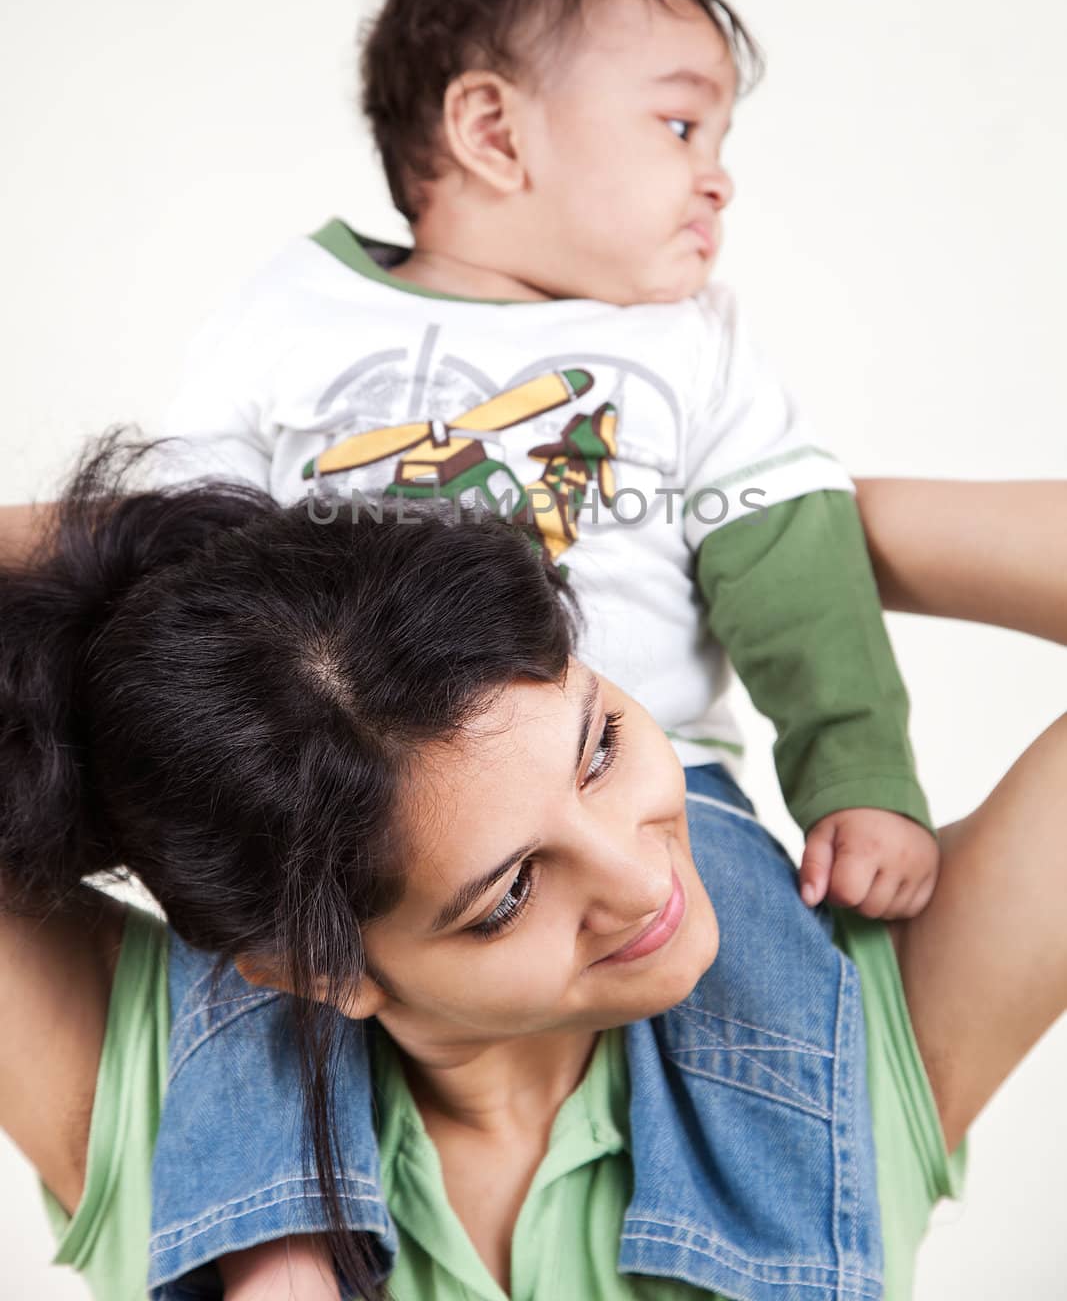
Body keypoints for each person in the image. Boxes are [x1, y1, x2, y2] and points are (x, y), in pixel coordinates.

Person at [1, 443, 1065, 1301]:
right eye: (507, 894)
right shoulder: (138, 1085)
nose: (639, 878)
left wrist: (761, 504)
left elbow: (754, 504)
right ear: (312, 970)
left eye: (599, 746)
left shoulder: (846, 1031)